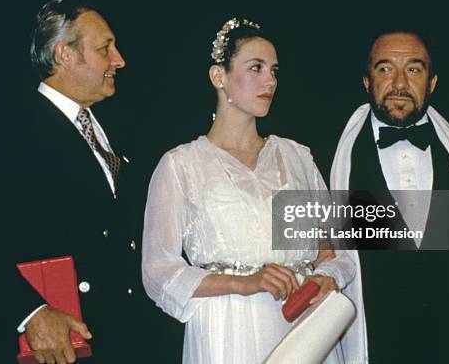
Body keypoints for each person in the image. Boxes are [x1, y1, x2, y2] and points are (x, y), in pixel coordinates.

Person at [141, 18, 356, 364]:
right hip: (227, 331)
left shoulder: (295, 157)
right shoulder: (181, 165)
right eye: (255, 68)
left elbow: (335, 252)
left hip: (302, 326)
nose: (270, 80)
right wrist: (245, 283)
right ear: (218, 76)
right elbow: (158, 271)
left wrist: (324, 280)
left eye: (274, 70)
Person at [0, 0, 181, 363]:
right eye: (106, 48)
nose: (119, 60)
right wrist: (29, 312)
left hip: (132, 337)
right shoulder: (7, 132)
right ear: (64, 55)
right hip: (64, 345)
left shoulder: (118, 127)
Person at [331, 30, 449, 363]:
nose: (398, 83)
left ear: (432, 82)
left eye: (413, 69)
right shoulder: (330, 156)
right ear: (367, 81)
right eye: (384, 69)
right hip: (374, 346)